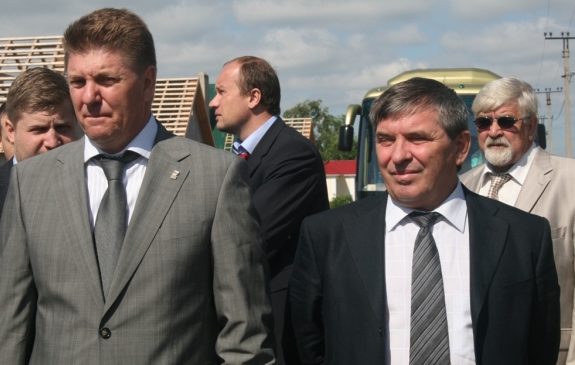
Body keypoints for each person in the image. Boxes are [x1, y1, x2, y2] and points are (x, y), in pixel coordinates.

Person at [0, 8, 275, 364]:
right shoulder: (30, 183)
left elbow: (245, 339)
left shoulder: (214, 178)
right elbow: (6, 331)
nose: (89, 97)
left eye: (106, 80)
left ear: (148, 82)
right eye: (77, 82)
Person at [287, 77, 560, 364]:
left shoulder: (523, 235)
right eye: (385, 140)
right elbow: (305, 344)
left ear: (460, 147)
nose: (398, 156)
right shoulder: (327, 236)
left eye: (417, 138)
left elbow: (540, 345)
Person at [210, 56, 329, 364]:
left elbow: (248, 236)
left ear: (253, 97)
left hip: (278, 324)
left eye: (221, 92)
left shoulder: (294, 154)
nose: (212, 102)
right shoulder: (234, 156)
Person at [460, 76, 575, 364]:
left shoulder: (570, 181)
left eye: (506, 121)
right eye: (483, 122)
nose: (494, 131)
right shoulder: (461, 187)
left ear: (531, 126)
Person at [0, 67, 78, 359]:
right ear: (10, 130)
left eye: (63, 127)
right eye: (38, 129)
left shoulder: (103, 197)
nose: (52, 141)